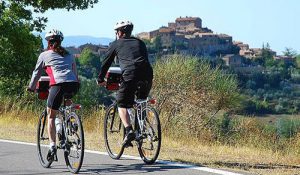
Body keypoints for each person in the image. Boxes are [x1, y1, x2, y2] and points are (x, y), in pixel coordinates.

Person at [97, 20, 153, 147]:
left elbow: (106, 63)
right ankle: (140, 130)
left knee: (121, 103)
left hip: (130, 74)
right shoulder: (140, 42)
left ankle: (129, 131)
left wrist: (100, 79)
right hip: (147, 74)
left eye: (117, 32)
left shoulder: (116, 44)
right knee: (141, 101)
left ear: (120, 32)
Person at [27, 29, 80, 161]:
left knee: (51, 116)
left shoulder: (44, 55)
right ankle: (71, 121)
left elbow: (36, 73)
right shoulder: (69, 54)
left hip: (58, 85)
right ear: (60, 41)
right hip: (74, 84)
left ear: (48, 42)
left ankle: (52, 146)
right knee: (67, 102)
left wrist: (31, 87)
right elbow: (75, 74)